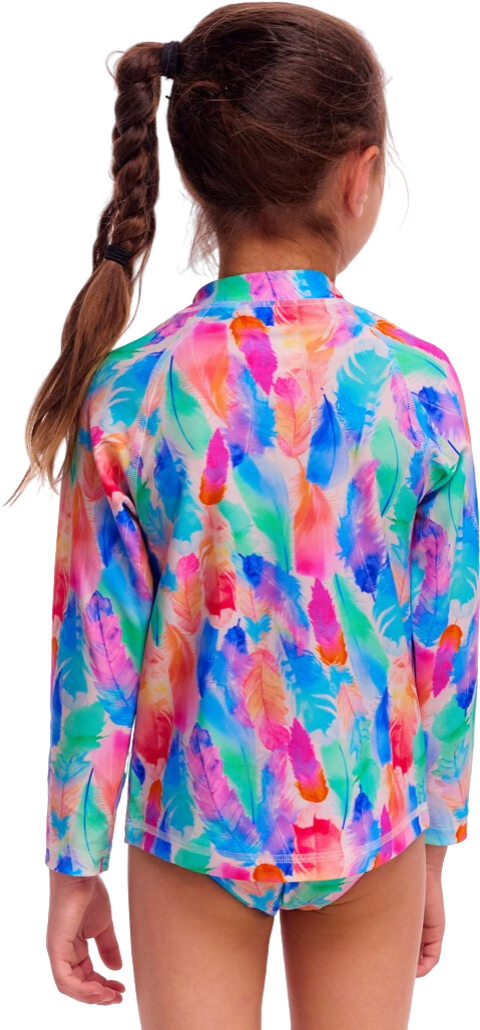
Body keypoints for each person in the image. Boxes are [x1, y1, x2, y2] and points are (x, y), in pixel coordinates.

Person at [3, 6, 477, 1029]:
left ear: (192, 181)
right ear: (361, 176)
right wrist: (437, 840)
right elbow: (448, 639)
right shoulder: (418, 384)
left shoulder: (129, 391)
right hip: (369, 814)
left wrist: (74, 865)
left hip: (192, 820)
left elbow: (94, 654)